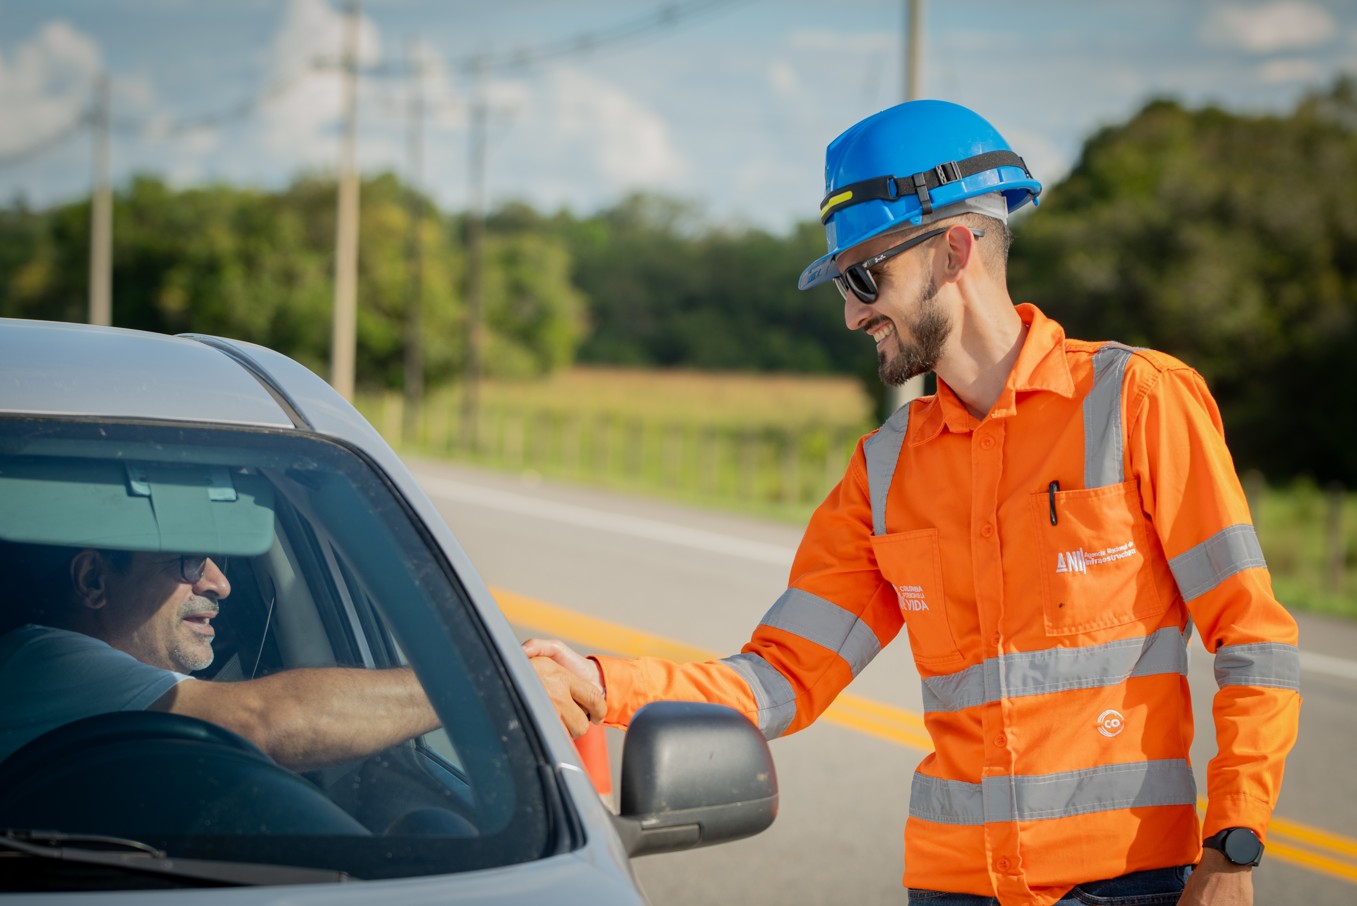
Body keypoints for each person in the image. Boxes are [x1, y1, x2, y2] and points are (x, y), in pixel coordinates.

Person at [525, 100, 1300, 906]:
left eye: (864, 276)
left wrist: (1231, 847)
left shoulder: (1138, 403)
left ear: (953, 249)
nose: (854, 312)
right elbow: (781, 678)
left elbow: (1253, 639)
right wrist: (594, 681)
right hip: (950, 888)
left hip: (1124, 885)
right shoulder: (885, 470)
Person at [0, 544, 604, 770]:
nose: (220, 584)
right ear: (93, 581)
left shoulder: (113, 695)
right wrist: (490, 684)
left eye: (221, 558)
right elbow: (262, 722)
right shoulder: (42, 660)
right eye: (187, 561)